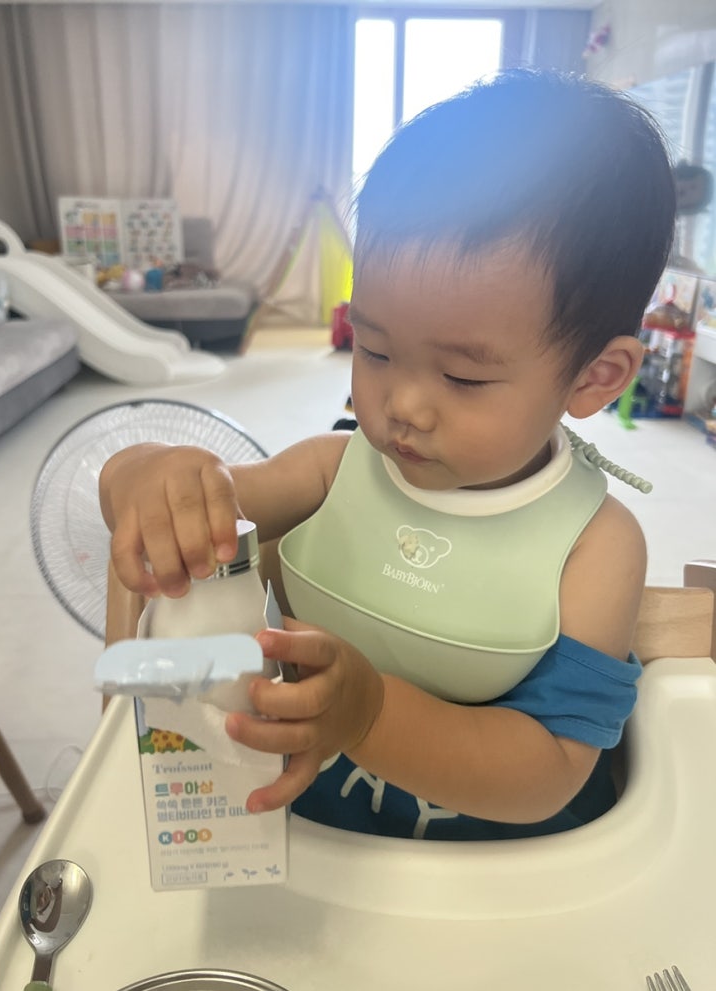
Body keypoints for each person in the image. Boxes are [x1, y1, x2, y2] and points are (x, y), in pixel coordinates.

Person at [99, 68, 676, 841]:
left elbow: (552, 769)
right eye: (372, 349)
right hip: (288, 832)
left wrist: (370, 714)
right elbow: (186, 502)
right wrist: (142, 473)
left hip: (475, 868)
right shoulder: (330, 469)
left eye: (463, 376)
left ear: (593, 377)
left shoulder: (594, 547)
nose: (401, 404)